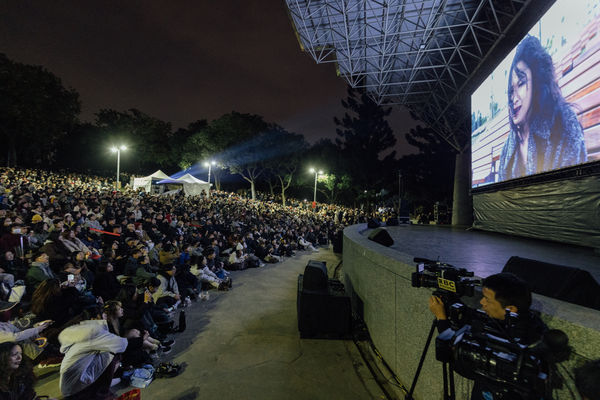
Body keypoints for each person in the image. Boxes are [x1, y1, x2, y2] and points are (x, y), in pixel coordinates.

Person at [428, 272, 546, 400]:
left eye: (487, 300)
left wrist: (442, 319)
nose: (481, 302)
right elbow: (474, 316)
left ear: (511, 309)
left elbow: (461, 360)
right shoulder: (524, 322)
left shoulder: (515, 341)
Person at [499, 35, 587, 181]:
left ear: (537, 82)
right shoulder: (509, 145)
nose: (514, 98)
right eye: (511, 90)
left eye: (521, 83)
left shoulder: (565, 124)